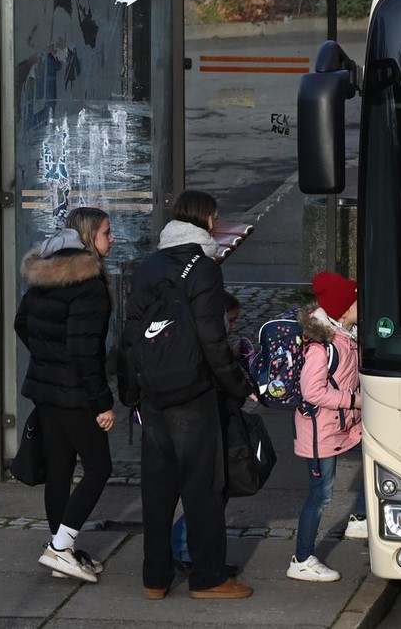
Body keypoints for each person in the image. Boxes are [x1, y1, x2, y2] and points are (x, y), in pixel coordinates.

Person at [120, 190, 255, 601]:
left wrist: (131, 391)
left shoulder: (149, 266)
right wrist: (238, 385)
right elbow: (212, 338)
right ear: (207, 220)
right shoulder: (204, 268)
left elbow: (130, 333)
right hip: (192, 393)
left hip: (153, 392)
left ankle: (155, 578)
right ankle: (208, 577)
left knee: (157, 489)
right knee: (203, 489)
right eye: (215, 217)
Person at [13, 206, 116, 584]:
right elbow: (84, 351)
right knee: (99, 468)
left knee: (60, 468)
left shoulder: (45, 274)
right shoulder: (89, 284)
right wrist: (102, 402)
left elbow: (21, 323)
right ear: (88, 237)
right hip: (74, 393)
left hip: (46, 389)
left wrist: (47, 357)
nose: (112, 239)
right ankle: (60, 547)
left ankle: (61, 551)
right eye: (106, 233)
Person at [288, 271, 368, 582]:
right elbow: (312, 391)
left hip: (343, 425)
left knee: (375, 459)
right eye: (357, 301)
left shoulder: (347, 334)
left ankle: (359, 518)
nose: (363, 304)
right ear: (344, 309)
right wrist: (354, 400)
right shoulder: (322, 347)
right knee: (320, 495)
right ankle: (301, 559)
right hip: (320, 432)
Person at [172, 290, 245, 571]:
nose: (233, 326)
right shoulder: (207, 345)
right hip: (204, 427)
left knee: (212, 495)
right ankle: (184, 550)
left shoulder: (209, 342)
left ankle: (193, 551)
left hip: (209, 425)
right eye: (231, 320)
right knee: (205, 496)